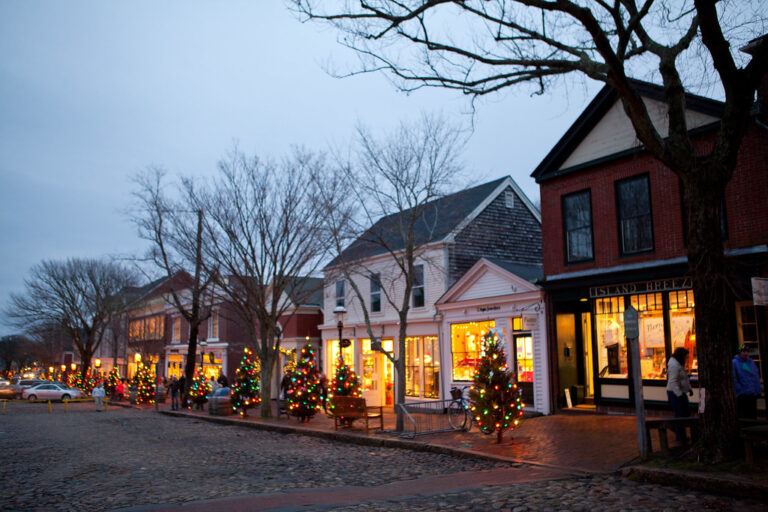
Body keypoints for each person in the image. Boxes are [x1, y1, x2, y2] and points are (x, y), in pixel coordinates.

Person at [666, 347, 693, 442]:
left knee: (685, 412)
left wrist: (689, 389)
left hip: (680, 391)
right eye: (686, 357)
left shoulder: (679, 364)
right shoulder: (674, 365)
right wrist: (679, 394)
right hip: (675, 393)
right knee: (680, 414)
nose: (686, 359)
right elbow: (673, 381)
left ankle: (676, 430)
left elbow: (684, 378)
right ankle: (681, 436)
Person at [733, 344, 761, 419]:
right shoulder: (735, 362)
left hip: (752, 392)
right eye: (743, 351)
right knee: (744, 415)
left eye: (747, 351)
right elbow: (734, 378)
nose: (745, 353)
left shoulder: (751, 362)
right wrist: (740, 390)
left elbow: (756, 377)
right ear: (739, 353)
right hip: (742, 394)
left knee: (752, 415)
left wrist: (757, 390)